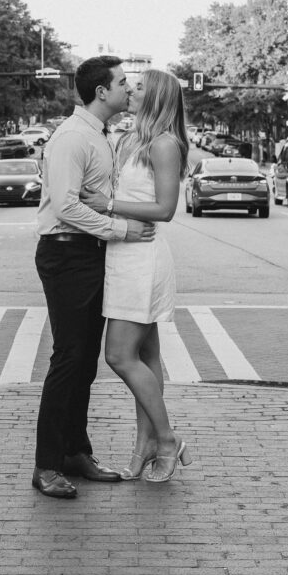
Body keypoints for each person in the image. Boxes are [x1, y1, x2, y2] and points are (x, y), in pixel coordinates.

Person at [33, 55, 155, 500]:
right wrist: (122, 229)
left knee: (84, 362)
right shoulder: (71, 138)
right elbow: (65, 207)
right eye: (123, 82)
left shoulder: (100, 135)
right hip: (66, 255)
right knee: (68, 358)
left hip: (89, 254)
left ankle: (75, 453)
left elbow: (95, 197)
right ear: (101, 92)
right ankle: (46, 464)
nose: (128, 88)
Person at [81, 68, 192, 483]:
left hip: (143, 258)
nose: (130, 90)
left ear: (157, 98)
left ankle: (166, 440)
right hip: (121, 254)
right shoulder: (128, 139)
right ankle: (144, 445)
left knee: (118, 356)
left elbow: (165, 209)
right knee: (146, 356)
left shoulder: (165, 145)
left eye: (139, 87)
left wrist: (108, 205)